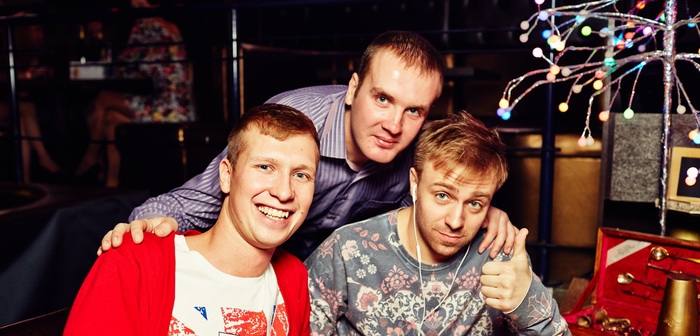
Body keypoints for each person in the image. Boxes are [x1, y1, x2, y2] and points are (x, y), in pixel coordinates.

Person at [46, 103, 326, 336]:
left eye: (301, 174)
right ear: (226, 176)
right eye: (265, 167)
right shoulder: (135, 266)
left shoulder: (291, 278)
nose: (284, 192)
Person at [304, 110, 576, 336]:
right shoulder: (348, 251)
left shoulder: (497, 252)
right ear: (414, 183)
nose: (456, 221)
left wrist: (526, 302)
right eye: (443, 195)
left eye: (475, 203)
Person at [98, 30, 516, 260]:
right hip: (256, 267)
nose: (393, 125)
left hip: (330, 289)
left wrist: (485, 212)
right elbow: (201, 198)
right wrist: (144, 227)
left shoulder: (417, 155)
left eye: (414, 111)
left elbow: (438, 209)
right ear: (353, 88)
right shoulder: (295, 121)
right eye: (382, 99)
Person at [74, 0, 196, 187]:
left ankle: (90, 159)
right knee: (111, 119)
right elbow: (143, 64)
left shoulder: (146, 26)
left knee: (103, 98)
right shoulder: (168, 26)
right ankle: (111, 182)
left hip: (169, 108)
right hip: (181, 107)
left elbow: (122, 65)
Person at [0, 14, 62, 182]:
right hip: (6, 105)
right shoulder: (5, 49)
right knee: (27, 108)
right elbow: (5, 78)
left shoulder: (30, 51)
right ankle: (44, 158)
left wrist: (36, 72)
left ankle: (25, 181)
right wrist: (27, 76)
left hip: (11, 104)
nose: (39, 34)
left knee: (22, 121)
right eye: (36, 30)